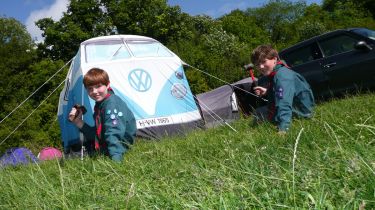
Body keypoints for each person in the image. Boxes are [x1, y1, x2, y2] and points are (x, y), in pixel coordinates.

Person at [69, 68, 137, 162]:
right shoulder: (100, 104)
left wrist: (116, 162)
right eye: (90, 89)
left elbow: (113, 134)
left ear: (108, 84)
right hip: (106, 148)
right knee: (72, 157)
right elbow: (98, 135)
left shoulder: (112, 104)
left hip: (120, 151)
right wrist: (78, 121)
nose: (94, 91)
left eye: (98, 86)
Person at [251, 45, 314, 133]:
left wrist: (283, 129)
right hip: (298, 110)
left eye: (264, 61)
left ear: (275, 59)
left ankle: (257, 135)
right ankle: (258, 132)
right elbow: (282, 91)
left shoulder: (282, 76)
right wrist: (267, 91)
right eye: (257, 64)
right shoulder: (278, 72)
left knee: (260, 114)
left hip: (300, 115)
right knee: (259, 111)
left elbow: (284, 103)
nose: (261, 67)